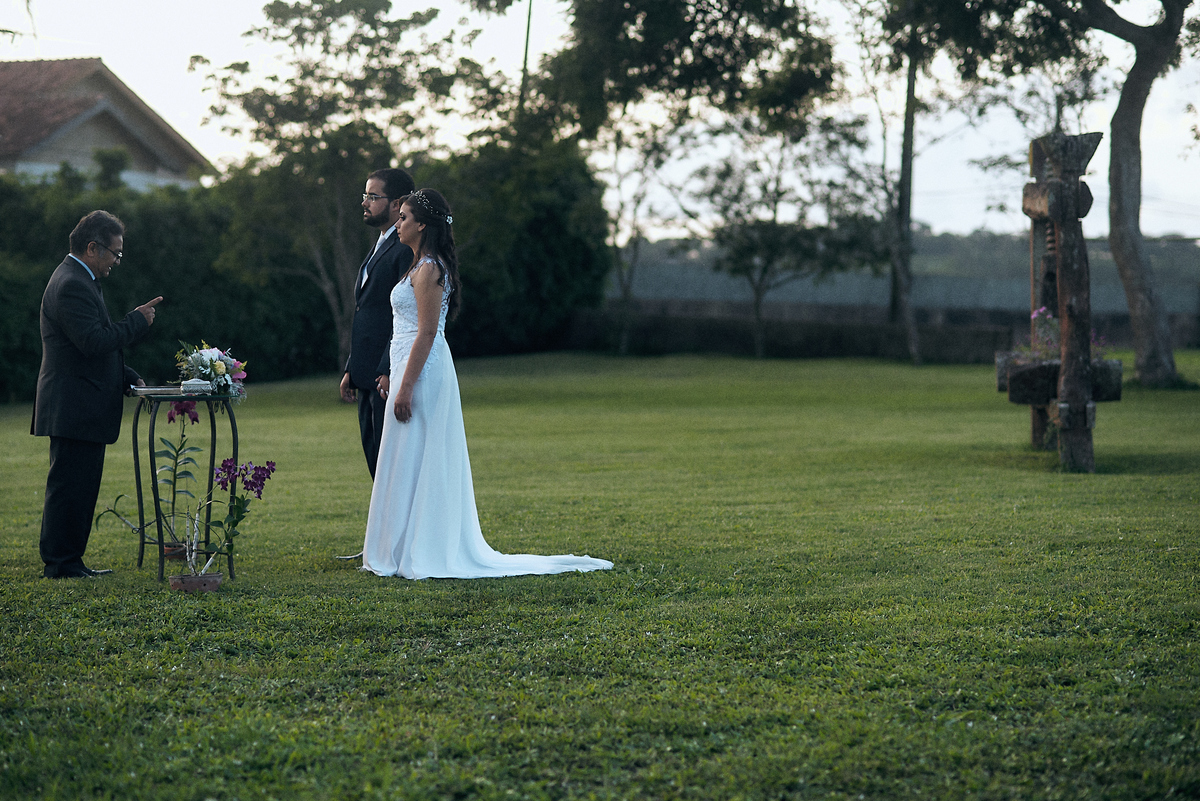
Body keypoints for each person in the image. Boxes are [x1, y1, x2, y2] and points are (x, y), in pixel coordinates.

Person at [361, 189, 612, 579]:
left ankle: (423, 547)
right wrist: (392, 373)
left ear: (422, 225)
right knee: (403, 455)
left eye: (405, 217)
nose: (398, 223)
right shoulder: (414, 266)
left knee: (420, 453)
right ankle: (398, 545)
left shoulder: (429, 269)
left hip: (423, 372)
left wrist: (406, 386)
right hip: (405, 365)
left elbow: (426, 332)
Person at [31, 210, 162, 578]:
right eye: (115, 254)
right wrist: (136, 321)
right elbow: (92, 342)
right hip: (73, 406)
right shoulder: (72, 283)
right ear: (93, 248)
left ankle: (70, 561)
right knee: (69, 488)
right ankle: (60, 564)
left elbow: (93, 350)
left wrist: (129, 378)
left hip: (81, 405)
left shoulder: (79, 278)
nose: (116, 262)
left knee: (79, 488)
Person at [340, 167, 416, 478]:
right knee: (374, 456)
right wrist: (350, 367)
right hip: (364, 371)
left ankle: (394, 526)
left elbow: (402, 314)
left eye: (373, 196)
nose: (365, 202)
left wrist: (386, 368)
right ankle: (383, 527)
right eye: (365, 196)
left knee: (388, 466)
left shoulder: (404, 249)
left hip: (384, 375)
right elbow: (366, 310)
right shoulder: (381, 242)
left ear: (397, 203)